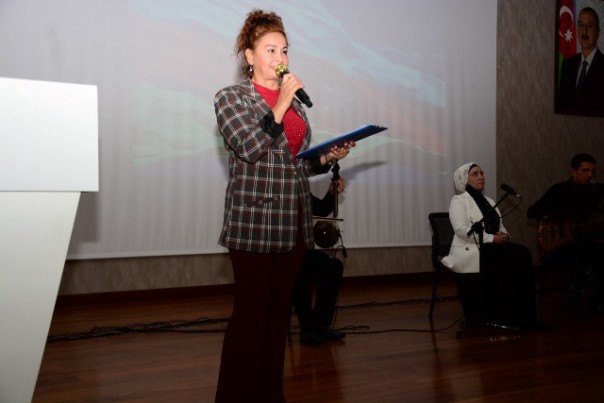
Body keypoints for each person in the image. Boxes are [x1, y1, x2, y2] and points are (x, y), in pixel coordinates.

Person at [213, 9, 354, 403]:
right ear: (249, 56)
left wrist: (325, 157)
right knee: (250, 318)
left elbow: (293, 165)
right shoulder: (231, 98)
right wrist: (280, 103)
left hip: (293, 224)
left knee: (278, 319)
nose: (280, 58)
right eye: (270, 49)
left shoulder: (296, 108)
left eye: (285, 50)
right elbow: (250, 147)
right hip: (255, 222)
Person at [441, 162, 538, 329]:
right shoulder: (459, 201)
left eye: (482, 173)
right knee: (514, 256)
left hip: (492, 247)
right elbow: (462, 230)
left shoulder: (489, 201)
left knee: (522, 253)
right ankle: (495, 315)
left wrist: (505, 235)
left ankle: (516, 315)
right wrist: (492, 239)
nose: (481, 177)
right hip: (472, 249)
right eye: (475, 174)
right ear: (464, 179)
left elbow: (500, 226)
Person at [527, 153, 604, 311]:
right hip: (561, 244)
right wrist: (559, 215)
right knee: (595, 251)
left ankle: (598, 300)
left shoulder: (595, 190)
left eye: (592, 171)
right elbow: (532, 211)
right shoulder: (559, 190)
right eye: (585, 170)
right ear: (573, 171)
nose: (590, 175)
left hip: (581, 240)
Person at [292, 178, 346, 346]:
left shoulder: (299, 190)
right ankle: (307, 329)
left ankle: (321, 324)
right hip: (284, 256)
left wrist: (332, 193)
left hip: (303, 251)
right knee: (300, 272)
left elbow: (321, 209)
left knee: (333, 267)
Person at [558, 7, 604, 114]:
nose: (584, 31)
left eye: (589, 26)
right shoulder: (567, 65)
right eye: (581, 25)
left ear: (597, 32)